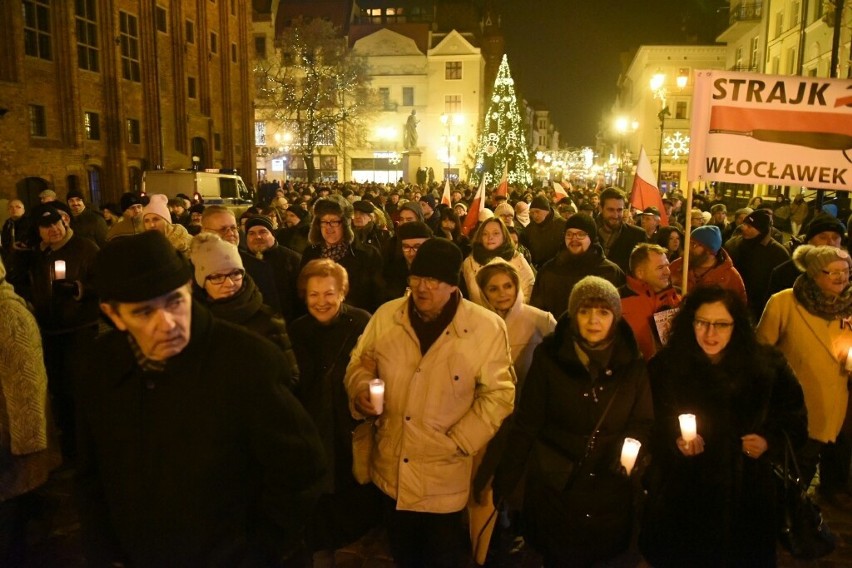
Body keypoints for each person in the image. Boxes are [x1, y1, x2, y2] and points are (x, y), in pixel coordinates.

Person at [78, 231, 326, 566]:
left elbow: (300, 470)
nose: (166, 324)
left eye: (174, 302)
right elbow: (92, 474)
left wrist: (258, 551)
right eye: (143, 312)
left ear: (189, 290)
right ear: (114, 314)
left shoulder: (248, 360)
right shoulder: (98, 368)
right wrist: (107, 551)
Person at [344, 238, 515, 568]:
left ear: (452, 285)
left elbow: (500, 394)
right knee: (403, 555)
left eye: (434, 281)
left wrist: (461, 441)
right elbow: (360, 362)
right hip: (391, 470)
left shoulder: (485, 328)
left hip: (444, 477)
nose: (423, 288)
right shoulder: (386, 316)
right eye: (417, 278)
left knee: (443, 557)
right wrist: (361, 388)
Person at [641, 286, 807, 567]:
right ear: (690, 321)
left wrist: (768, 441)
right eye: (702, 322)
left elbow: (795, 419)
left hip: (748, 500)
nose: (710, 333)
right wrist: (674, 441)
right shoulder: (666, 367)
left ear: (737, 325)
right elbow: (648, 422)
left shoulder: (767, 366)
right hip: (683, 498)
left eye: (721, 324)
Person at [494, 276, 653, 567]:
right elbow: (527, 422)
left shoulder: (631, 363)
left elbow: (642, 421)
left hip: (610, 485)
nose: (594, 320)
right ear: (573, 313)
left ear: (615, 317)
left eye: (603, 312)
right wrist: (506, 477)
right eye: (585, 311)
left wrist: (629, 454)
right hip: (557, 486)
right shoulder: (549, 358)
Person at [290, 259, 382, 566]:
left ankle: (352, 548)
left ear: (342, 292)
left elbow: (376, 368)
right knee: (321, 497)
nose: (321, 301)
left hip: (351, 427)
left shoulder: (361, 322)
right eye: (314, 295)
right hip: (313, 428)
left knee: (352, 490)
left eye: (329, 293)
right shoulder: (297, 330)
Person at [469, 259, 556, 564]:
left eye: (508, 285)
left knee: (523, 477)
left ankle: (521, 530)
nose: (502, 293)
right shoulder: (476, 322)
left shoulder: (540, 320)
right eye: (493, 288)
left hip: (528, 414)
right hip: (490, 415)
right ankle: (492, 532)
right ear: (484, 292)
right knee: (489, 476)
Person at [757, 245, 852, 506]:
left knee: (810, 464)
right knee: (790, 470)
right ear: (813, 273)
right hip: (795, 407)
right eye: (833, 272)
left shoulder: (848, 306)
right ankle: (782, 519)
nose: (841, 278)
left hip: (834, 404)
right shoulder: (783, 302)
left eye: (846, 271)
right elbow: (761, 354)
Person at [0, 257, 62, 566]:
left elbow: (26, 385)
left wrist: (25, 448)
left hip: (8, 448)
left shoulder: (8, 314)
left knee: (10, 526)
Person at [28, 204, 100, 459]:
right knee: (60, 393)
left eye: (56, 223)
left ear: (65, 222)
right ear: (39, 231)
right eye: (46, 227)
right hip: (51, 333)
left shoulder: (85, 248)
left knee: (79, 393)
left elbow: (103, 281)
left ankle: (86, 451)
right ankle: (69, 449)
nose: (53, 230)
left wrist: (80, 288)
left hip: (79, 332)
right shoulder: (39, 255)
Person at [189, 232, 299, 382]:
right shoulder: (194, 322)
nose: (229, 283)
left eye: (235, 274)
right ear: (202, 281)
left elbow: (290, 376)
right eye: (217, 277)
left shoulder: (268, 319)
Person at [530, 213, 624, 318]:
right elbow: (537, 312)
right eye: (569, 234)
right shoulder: (549, 271)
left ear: (591, 237)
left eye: (580, 234)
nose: (574, 239)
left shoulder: (610, 271)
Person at [301, 196, 384, 312]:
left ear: (346, 224)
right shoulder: (310, 253)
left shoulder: (367, 255)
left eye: (334, 222)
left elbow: (377, 297)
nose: (328, 227)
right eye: (324, 222)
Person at [619, 243, 682, 361]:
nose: (667, 272)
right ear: (640, 273)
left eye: (667, 266)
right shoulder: (618, 302)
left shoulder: (678, 297)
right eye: (660, 268)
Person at [726, 209, 790, 321]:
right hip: (733, 302)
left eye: (750, 227)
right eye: (744, 224)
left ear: (761, 230)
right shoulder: (732, 244)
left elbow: (782, 285)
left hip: (761, 308)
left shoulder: (778, 253)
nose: (743, 228)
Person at [462, 217, 535, 306]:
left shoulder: (517, 258)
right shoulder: (470, 262)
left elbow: (529, 290)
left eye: (496, 233)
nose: (490, 237)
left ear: (504, 236)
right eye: (485, 234)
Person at [767, 215, 845, 297]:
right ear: (809, 241)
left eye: (835, 237)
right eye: (823, 237)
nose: (831, 242)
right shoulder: (784, 273)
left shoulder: (848, 273)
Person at [670, 225, 746, 304]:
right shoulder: (677, 266)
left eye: (694, 244)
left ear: (709, 251)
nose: (689, 248)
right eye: (689, 243)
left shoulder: (730, 276)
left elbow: (739, 308)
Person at [596, 187, 647, 274]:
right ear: (600, 208)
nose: (616, 215)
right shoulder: (589, 232)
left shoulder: (637, 235)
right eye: (611, 210)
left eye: (619, 210)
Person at [521, 195, 566, 269]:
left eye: (537, 211)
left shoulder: (563, 225)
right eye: (532, 213)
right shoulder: (529, 229)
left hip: (559, 269)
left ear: (547, 211)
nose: (534, 215)